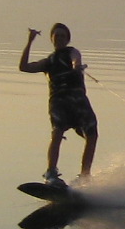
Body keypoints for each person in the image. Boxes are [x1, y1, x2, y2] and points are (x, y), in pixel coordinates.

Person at [19, 22, 98, 182]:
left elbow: (76, 59)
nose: (60, 38)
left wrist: (77, 67)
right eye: (57, 36)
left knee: (92, 134)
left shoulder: (72, 52)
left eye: (63, 36)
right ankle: (51, 173)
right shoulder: (48, 61)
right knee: (57, 133)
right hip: (59, 102)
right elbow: (24, 67)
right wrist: (30, 42)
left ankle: (84, 175)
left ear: (68, 39)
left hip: (78, 101)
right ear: (52, 39)